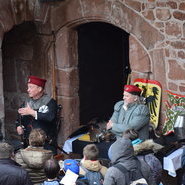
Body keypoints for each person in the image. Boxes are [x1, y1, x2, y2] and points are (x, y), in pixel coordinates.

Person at [16, 75, 58, 154]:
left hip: (45, 144)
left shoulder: (50, 102)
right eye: (28, 87)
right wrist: (19, 126)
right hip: (28, 144)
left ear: (39, 89)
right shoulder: (26, 103)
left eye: (31, 87)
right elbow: (18, 119)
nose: (28, 90)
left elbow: (50, 117)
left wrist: (32, 112)